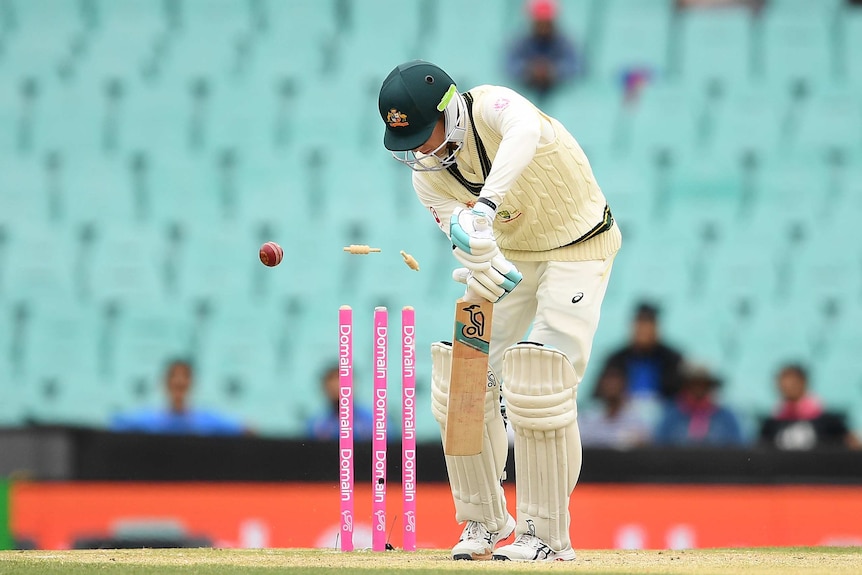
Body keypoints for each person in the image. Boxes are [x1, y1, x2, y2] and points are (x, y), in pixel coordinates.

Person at [378, 60, 621, 561]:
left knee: (538, 376)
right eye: (411, 140)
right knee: (460, 375)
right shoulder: (428, 178)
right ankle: (483, 521)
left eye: (426, 133)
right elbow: (461, 233)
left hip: (580, 245)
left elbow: (527, 130)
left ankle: (547, 538)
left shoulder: (492, 107)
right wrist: (477, 252)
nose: (421, 149)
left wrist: (484, 211)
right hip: (516, 256)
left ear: (452, 110)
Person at [110, 359, 247, 436]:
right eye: (174, 376)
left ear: (192, 383)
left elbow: (245, 430)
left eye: (185, 376)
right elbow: (116, 425)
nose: (179, 381)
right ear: (164, 382)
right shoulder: (148, 419)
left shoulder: (206, 419)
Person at [759, 363, 859, 450]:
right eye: (783, 386)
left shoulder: (828, 421)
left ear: (803, 383)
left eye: (793, 384)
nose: (787, 389)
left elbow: (851, 443)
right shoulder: (771, 424)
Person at [601, 302, 684, 402]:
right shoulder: (616, 360)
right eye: (640, 324)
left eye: (647, 324)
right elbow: (598, 395)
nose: (643, 330)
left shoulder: (672, 359)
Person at [654, 362, 744, 447]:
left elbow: (739, 449)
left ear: (710, 386)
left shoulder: (726, 418)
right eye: (694, 383)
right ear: (685, 385)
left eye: (703, 384)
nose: (698, 388)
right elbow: (658, 447)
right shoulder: (671, 416)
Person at [506, 0, 582, 99]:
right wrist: (530, 70)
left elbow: (575, 67)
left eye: (546, 23)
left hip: (557, 93)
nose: (543, 28)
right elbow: (510, 66)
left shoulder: (564, 43)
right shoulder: (521, 42)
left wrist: (552, 71)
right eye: (539, 23)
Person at [579, 365, 652, 449]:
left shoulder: (637, 418)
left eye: (615, 381)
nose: (611, 386)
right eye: (608, 381)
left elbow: (643, 442)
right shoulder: (588, 416)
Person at [306, 364, 374, 441]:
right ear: (324, 388)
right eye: (332, 385)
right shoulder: (316, 423)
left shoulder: (372, 420)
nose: (336, 387)